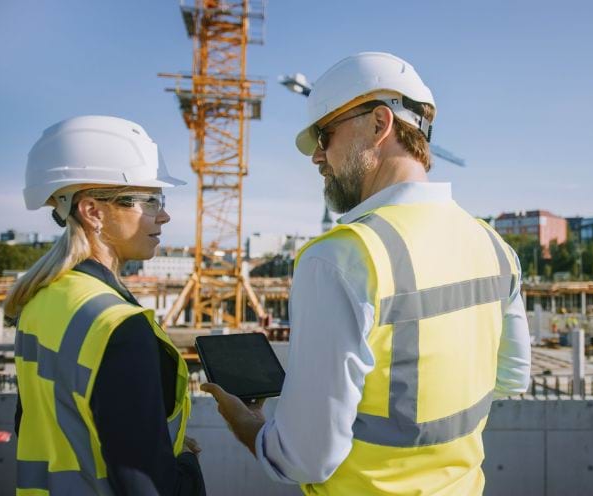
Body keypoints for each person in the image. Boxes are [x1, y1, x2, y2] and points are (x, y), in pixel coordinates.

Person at [202, 52, 531, 494]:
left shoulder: (341, 257)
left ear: (380, 124)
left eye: (325, 135)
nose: (318, 158)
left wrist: (249, 426)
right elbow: (511, 378)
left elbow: (306, 459)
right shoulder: (493, 245)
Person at [7, 115, 205, 495]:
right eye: (149, 201)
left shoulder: (40, 301)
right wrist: (184, 464)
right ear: (93, 211)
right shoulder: (118, 324)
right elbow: (145, 485)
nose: (164, 215)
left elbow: (43, 425)